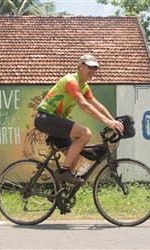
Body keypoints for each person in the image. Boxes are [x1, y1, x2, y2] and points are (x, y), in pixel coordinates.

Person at [34, 54, 124, 185]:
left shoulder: (84, 86)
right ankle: (64, 172)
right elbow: (85, 106)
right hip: (45, 118)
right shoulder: (71, 81)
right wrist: (108, 123)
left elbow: (97, 105)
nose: (93, 71)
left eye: (96, 68)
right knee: (84, 133)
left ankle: (59, 192)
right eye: (90, 67)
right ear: (80, 66)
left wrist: (114, 121)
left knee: (73, 155)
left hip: (54, 120)